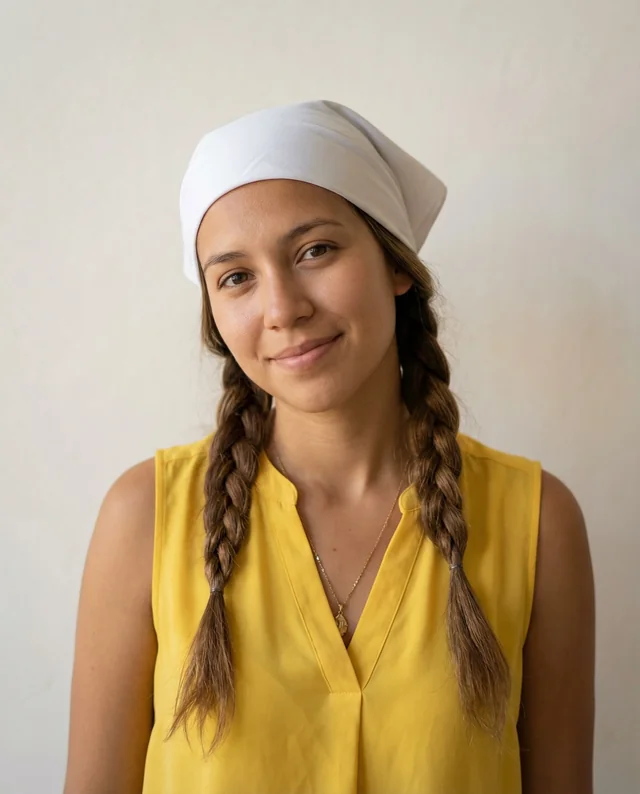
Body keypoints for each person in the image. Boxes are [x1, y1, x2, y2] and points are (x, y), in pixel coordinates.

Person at [63, 100, 595, 794]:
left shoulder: (538, 522)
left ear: (395, 264)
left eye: (315, 250)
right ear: (217, 319)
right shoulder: (145, 518)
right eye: (236, 277)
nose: (283, 308)